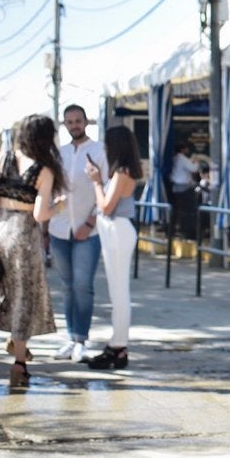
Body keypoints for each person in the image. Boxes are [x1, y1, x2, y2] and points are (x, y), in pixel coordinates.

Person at [0, 115, 65, 387]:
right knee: (24, 298)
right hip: (24, 236)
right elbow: (39, 213)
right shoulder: (44, 169)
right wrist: (59, 205)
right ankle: (19, 365)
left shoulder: (4, 158)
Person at [49, 104, 105, 362]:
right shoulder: (57, 155)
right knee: (68, 287)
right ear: (64, 124)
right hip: (59, 229)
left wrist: (90, 223)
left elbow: (103, 189)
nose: (74, 125)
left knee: (83, 285)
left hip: (88, 232)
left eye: (78, 121)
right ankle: (70, 338)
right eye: (70, 122)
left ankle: (82, 339)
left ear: (86, 122)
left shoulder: (98, 150)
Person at [83, 125, 140, 370]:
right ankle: (117, 344)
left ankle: (118, 346)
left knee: (119, 293)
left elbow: (106, 207)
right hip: (114, 230)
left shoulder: (121, 173)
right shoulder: (122, 172)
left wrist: (96, 182)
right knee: (117, 292)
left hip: (117, 229)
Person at [168, 141, 200, 238]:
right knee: (188, 211)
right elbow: (194, 169)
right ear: (183, 149)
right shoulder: (182, 159)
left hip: (175, 187)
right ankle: (187, 231)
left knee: (177, 210)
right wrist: (197, 161)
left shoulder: (174, 159)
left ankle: (175, 229)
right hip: (184, 188)